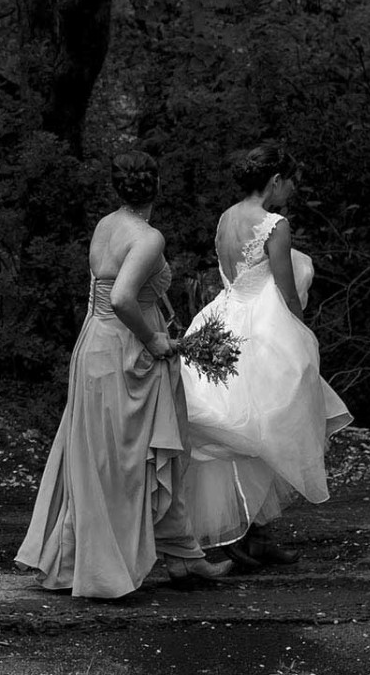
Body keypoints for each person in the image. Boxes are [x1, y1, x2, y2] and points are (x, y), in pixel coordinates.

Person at [14, 151, 232, 598]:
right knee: (124, 464)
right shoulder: (147, 237)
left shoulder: (106, 224)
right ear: (156, 184)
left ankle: (182, 556)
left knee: (113, 456)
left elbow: (104, 290)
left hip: (95, 344)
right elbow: (123, 298)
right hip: (125, 352)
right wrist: (153, 341)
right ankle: (100, 567)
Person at [180, 142, 353, 566]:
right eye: (289, 181)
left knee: (241, 425)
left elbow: (229, 275)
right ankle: (238, 536)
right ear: (275, 181)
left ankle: (250, 534)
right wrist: (299, 332)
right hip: (260, 324)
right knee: (263, 425)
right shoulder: (275, 224)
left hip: (221, 318)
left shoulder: (226, 218)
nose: (291, 189)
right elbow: (285, 291)